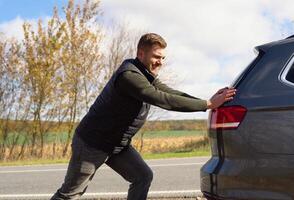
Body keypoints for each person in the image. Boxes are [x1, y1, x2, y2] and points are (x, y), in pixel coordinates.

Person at [50, 33, 236, 200]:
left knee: (142, 176)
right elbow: (163, 99)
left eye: (162, 57)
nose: (160, 62)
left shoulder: (146, 75)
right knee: (70, 194)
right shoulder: (129, 76)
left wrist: (206, 101)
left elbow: (171, 92)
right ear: (141, 54)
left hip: (117, 144)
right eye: (156, 56)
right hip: (93, 143)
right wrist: (208, 105)